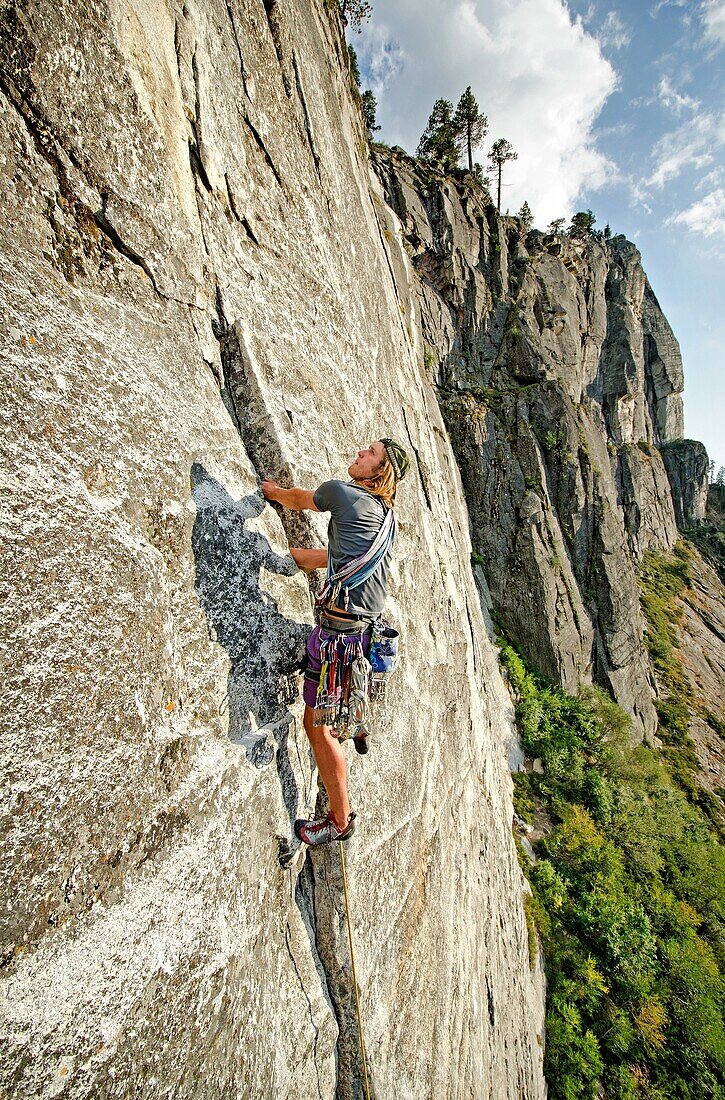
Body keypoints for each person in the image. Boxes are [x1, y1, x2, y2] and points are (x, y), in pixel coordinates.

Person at [261, 438, 410, 846]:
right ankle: (355, 721)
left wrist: (270, 492)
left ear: (379, 471)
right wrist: (299, 559)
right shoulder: (385, 516)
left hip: (339, 639)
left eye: (370, 453)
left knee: (316, 727)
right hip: (364, 635)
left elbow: (296, 499)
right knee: (333, 712)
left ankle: (339, 821)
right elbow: (342, 554)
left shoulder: (341, 493)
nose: (359, 451)